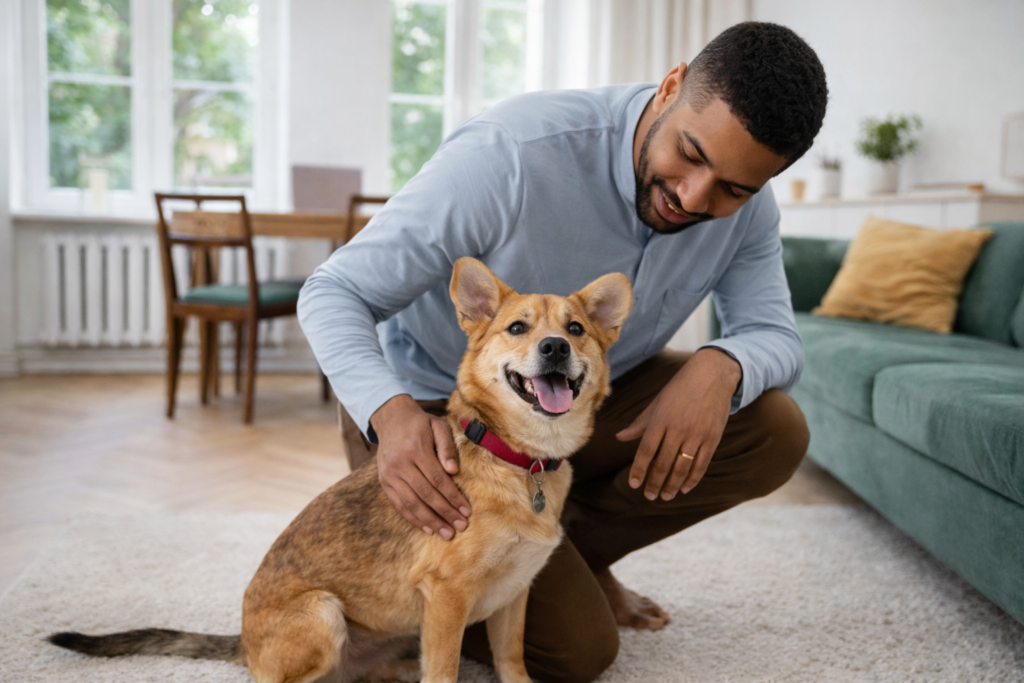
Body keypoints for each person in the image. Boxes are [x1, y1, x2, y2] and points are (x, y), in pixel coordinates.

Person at [299, 21, 825, 683]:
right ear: (670, 87)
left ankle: (562, 548)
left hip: (575, 403)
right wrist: (390, 414)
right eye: (690, 154)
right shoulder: (511, 154)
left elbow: (776, 335)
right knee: (576, 652)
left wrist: (723, 365)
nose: (694, 197)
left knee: (772, 428)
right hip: (435, 412)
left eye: (734, 189)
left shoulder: (750, 207)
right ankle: (507, 561)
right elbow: (333, 290)